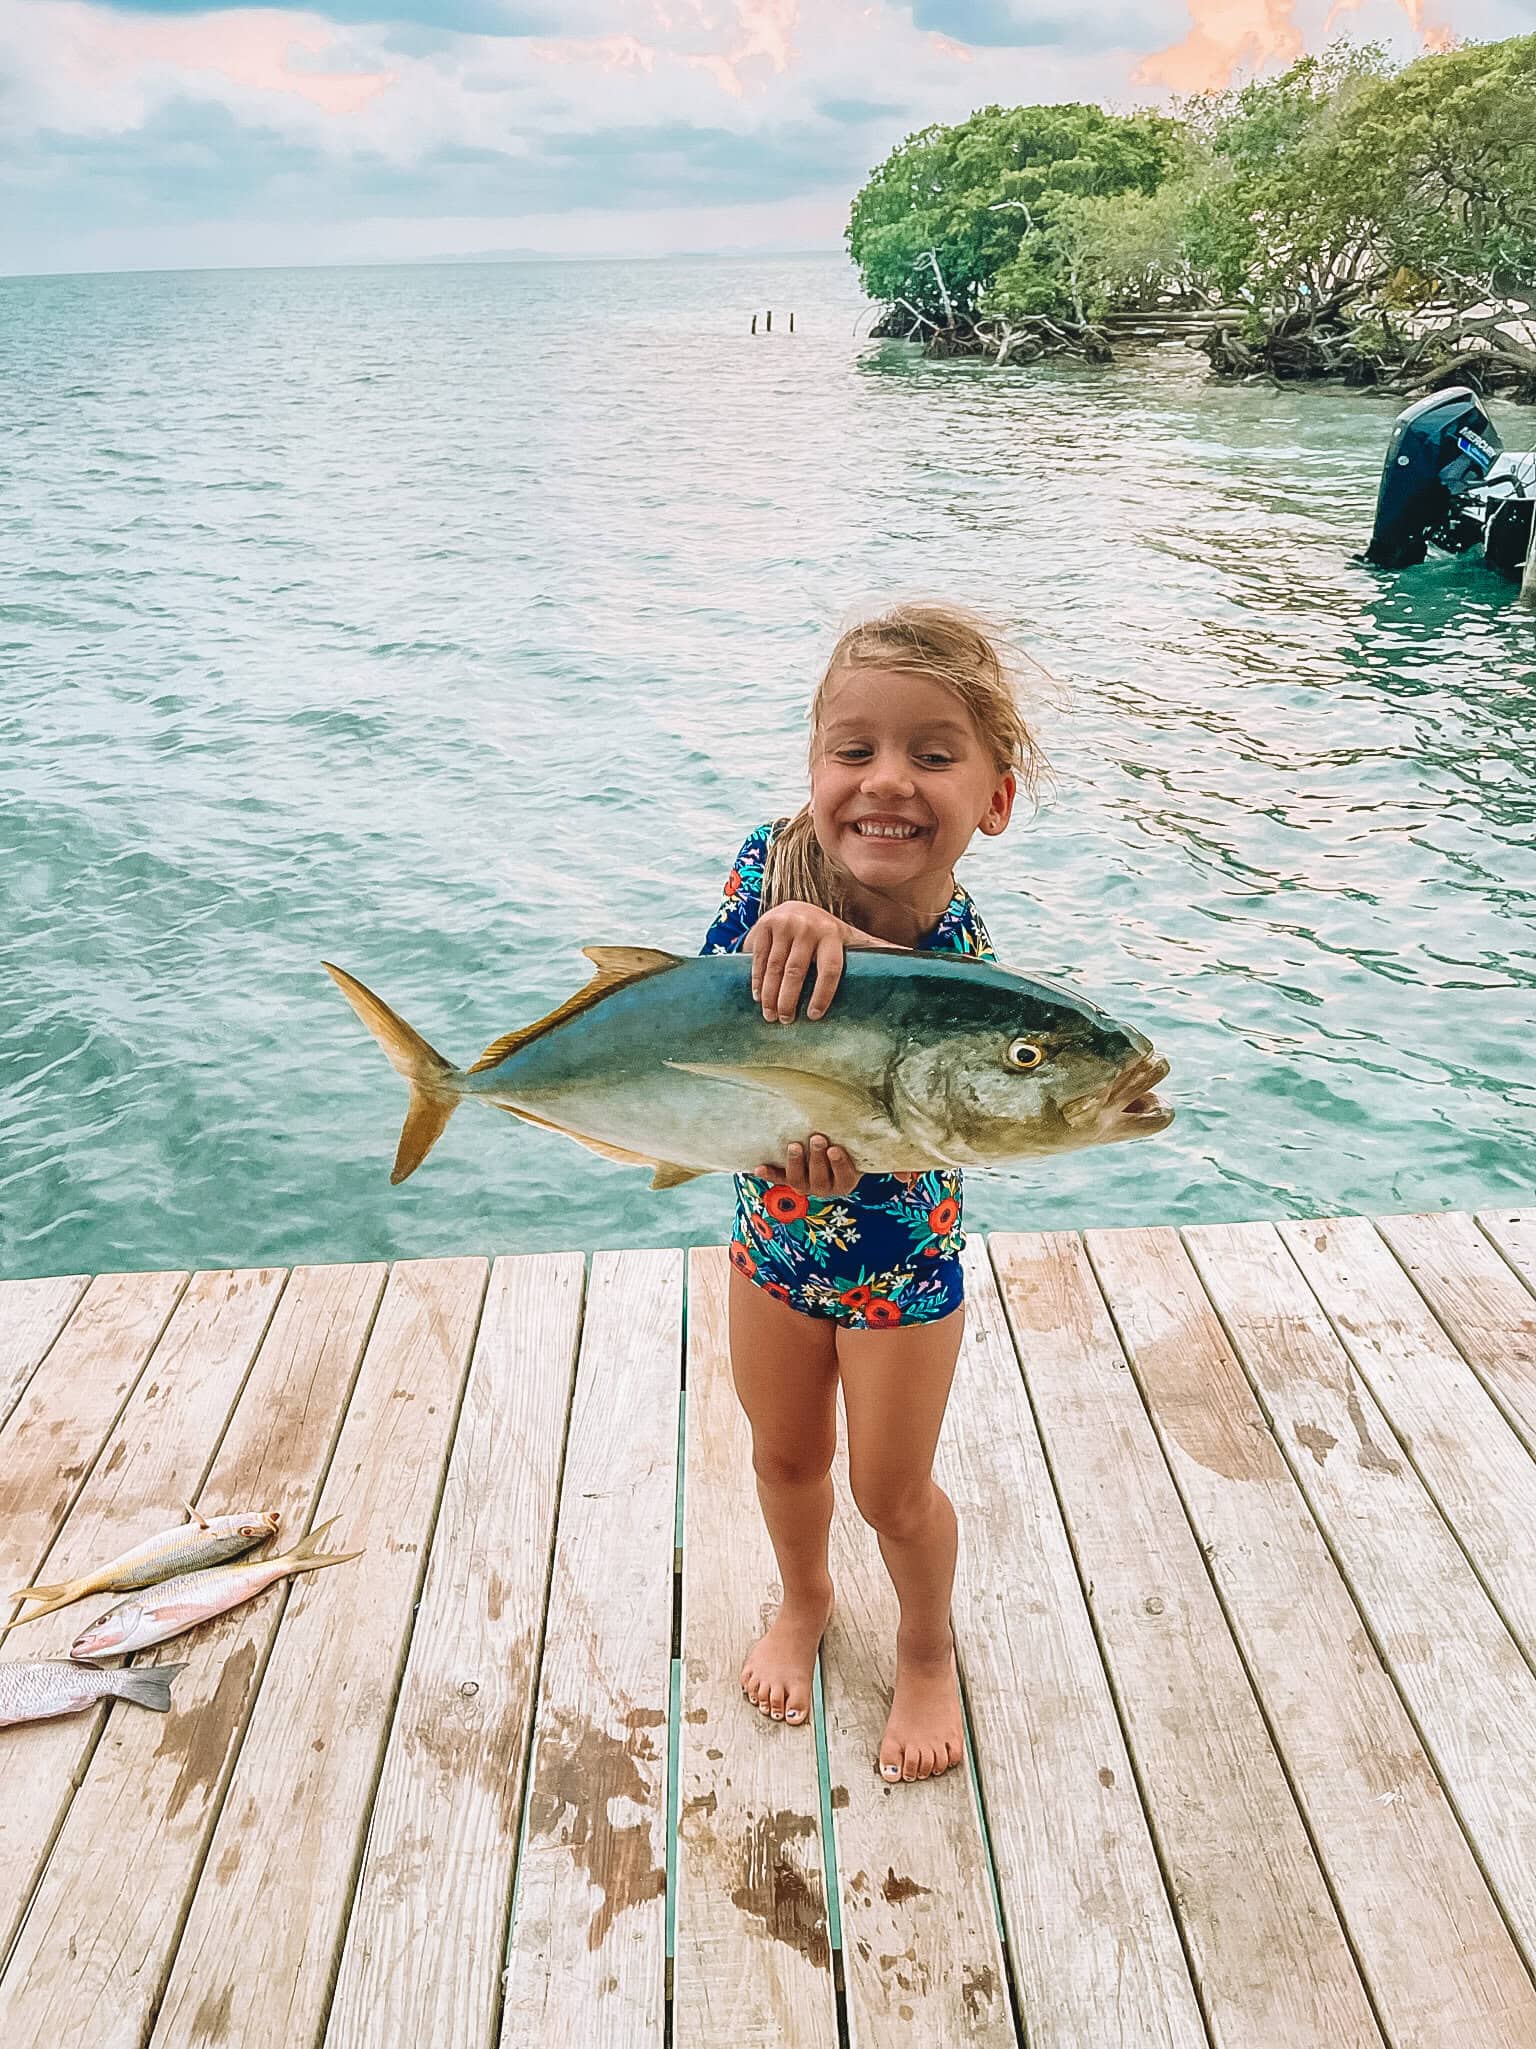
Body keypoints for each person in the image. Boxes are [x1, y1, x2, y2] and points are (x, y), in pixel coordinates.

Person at [700, 601, 1048, 1783]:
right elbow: (698, 1011)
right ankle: (803, 1603)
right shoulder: (767, 861)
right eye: (854, 751)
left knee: (892, 1493)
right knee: (784, 1461)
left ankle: (925, 1642)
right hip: (771, 1243)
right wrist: (776, 921)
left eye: (933, 754)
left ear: (992, 800)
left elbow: (968, 1095)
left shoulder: (968, 977)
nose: (886, 782)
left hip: (904, 1267)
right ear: (813, 773)